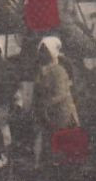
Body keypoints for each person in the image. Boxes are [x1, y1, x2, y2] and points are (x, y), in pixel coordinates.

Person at [32, 37, 80, 167]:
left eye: (45, 51)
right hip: (49, 113)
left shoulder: (59, 71)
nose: (42, 54)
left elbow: (61, 94)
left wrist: (46, 103)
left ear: (51, 53)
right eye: (40, 51)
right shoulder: (41, 71)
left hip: (62, 112)